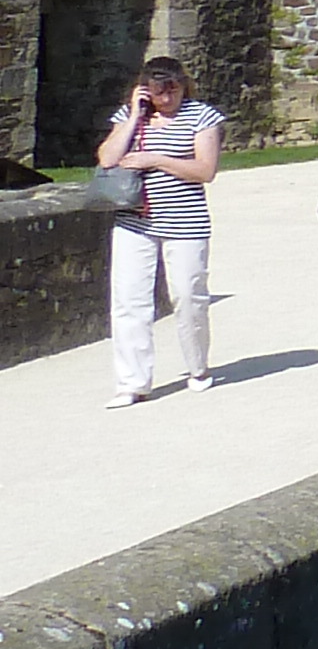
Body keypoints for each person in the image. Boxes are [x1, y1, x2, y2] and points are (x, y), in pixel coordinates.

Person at [100, 55, 225, 407]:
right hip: (134, 221)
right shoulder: (132, 116)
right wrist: (134, 115)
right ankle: (132, 382)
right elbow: (107, 158)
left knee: (188, 295)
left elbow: (205, 170)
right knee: (129, 300)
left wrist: (155, 159)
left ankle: (197, 367)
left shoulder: (201, 116)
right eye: (158, 91)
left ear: (183, 85)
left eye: (172, 90)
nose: (166, 98)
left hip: (185, 221)